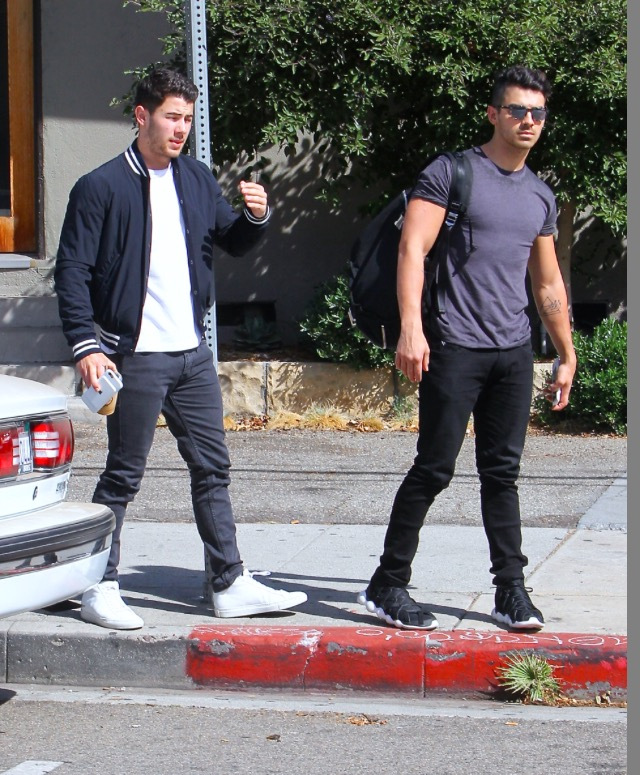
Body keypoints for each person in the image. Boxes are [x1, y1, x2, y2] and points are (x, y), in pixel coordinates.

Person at [54, 67, 307, 630]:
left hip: (191, 354)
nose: (181, 129)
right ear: (142, 116)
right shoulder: (101, 186)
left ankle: (228, 582)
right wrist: (86, 345)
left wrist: (256, 217)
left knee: (213, 468)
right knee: (123, 475)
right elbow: (72, 271)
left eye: (188, 119)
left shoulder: (195, 177)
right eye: (172, 117)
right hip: (135, 356)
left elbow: (230, 240)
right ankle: (99, 584)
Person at [358, 65, 576, 631]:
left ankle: (510, 591)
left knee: (502, 474)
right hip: (455, 345)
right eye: (517, 110)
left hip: (512, 352)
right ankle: (388, 583)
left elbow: (547, 283)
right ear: (493, 113)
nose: (528, 121)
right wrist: (411, 328)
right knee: (434, 468)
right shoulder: (453, 172)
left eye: (537, 113)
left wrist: (565, 351)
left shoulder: (540, 195)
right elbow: (412, 249)